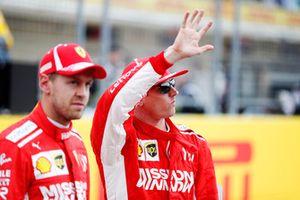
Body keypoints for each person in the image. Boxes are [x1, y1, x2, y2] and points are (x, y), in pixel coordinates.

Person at [91, 9, 218, 199]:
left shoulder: (195, 143)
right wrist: (171, 55)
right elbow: (113, 104)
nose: (174, 92)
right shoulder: (118, 139)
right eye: (165, 88)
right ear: (139, 96)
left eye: (173, 84)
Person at [0, 43, 107, 199]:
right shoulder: (14, 145)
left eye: (87, 84)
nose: (83, 93)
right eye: (73, 82)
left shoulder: (77, 142)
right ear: (45, 83)